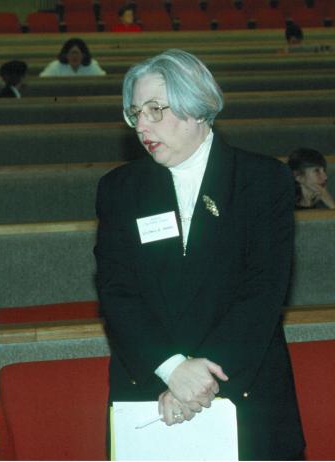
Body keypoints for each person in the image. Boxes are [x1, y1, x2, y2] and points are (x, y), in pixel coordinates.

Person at [94, 49, 305, 460]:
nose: (142, 125)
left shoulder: (262, 179)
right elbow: (116, 291)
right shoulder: (120, 188)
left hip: (244, 382)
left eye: (156, 109)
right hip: (151, 385)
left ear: (198, 107)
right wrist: (172, 369)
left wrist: (200, 379)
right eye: (135, 112)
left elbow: (264, 289)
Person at [39, 37, 106, 77]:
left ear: (84, 55)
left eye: (77, 53)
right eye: (72, 53)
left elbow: (103, 81)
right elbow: (42, 82)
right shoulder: (55, 66)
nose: (74, 56)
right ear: (65, 54)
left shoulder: (92, 66)